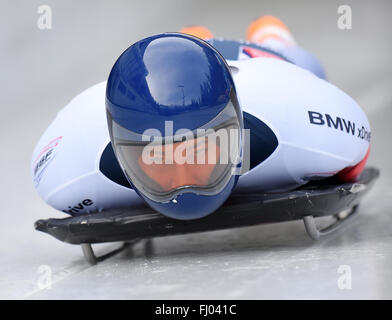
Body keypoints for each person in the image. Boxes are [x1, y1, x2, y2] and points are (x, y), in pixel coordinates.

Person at [31, 16, 371, 220]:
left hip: (259, 65)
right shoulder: (64, 169)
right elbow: (352, 167)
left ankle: (269, 33)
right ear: (121, 149)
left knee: (306, 63)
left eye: (200, 150)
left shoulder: (299, 115)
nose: (184, 179)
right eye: (157, 158)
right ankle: (193, 35)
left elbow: (356, 149)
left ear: (236, 129)